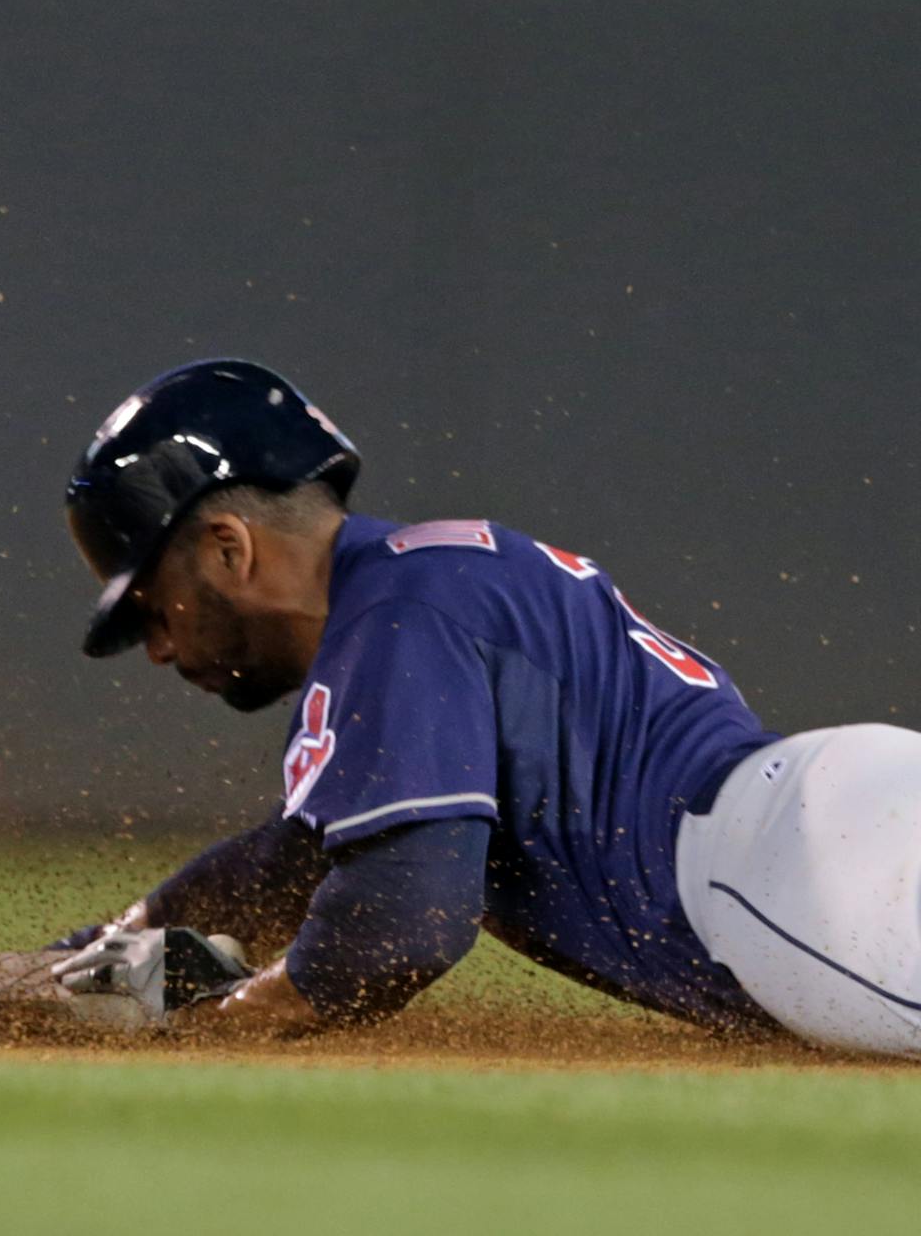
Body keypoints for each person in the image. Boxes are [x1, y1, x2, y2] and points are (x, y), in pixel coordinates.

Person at [51, 358, 921, 1056]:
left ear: (228, 549)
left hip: (803, 874)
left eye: (153, 606)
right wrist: (90, 951)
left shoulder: (399, 614)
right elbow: (300, 857)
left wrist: (220, 1018)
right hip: (826, 824)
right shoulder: (420, 586)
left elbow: (403, 919)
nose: (158, 646)